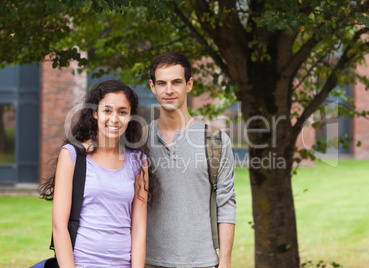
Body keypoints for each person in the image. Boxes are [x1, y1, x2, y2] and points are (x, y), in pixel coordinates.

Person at [39, 80, 155, 268]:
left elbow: (139, 229)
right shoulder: (73, 155)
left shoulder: (139, 162)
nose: (114, 118)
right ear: (95, 113)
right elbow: (59, 227)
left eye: (122, 112)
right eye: (107, 110)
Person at [145, 52, 236, 268]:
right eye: (162, 83)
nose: (169, 90)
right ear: (152, 87)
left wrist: (225, 262)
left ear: (189, 84)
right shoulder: (137, 141)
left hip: (202, 262)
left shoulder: (216, 141)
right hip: (148, 261)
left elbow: (226, 203)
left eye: (176, 82)